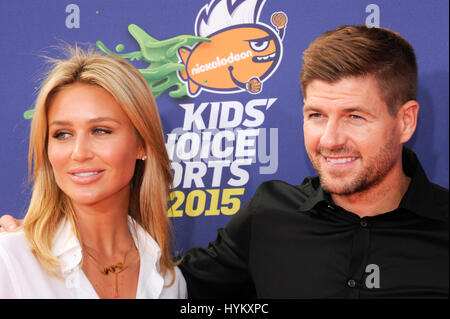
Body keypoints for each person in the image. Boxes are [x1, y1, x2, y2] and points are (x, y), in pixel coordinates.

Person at [2, 25, 448, 299]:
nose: (330, 139)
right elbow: (170, 283)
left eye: (354, 116)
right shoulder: (269, 216)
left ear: (405, 121)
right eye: (316, 115)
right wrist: (31, 240)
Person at [0, 46, 186, 298]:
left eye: (101, 130)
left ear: (141, 144)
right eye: (62, 134)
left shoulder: (167, 280)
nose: (79, 153)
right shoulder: (10, 259)